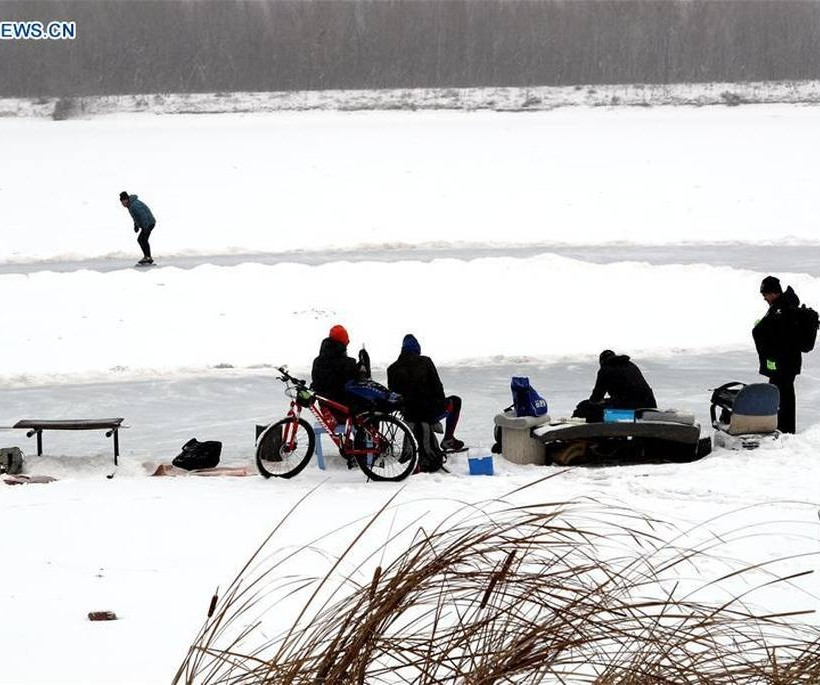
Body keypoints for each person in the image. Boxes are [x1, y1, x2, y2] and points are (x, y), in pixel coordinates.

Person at [387, 333, 464, 452]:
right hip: (429, 412)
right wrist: (439, 406)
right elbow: (438, 387)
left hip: (409, 415)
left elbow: (393, 395)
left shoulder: (391, 369)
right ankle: (448, 439)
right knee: (456, 401)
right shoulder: (426, 361)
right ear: (417, 349)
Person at [753, 275, 802, 433]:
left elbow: (778, 335)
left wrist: (761, 327)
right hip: (784, 361)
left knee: (782, 394)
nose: (764, 298)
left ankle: (785, 430)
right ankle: (783, 428)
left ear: (773, 292)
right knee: (780, 393)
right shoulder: (780, 307)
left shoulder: (782, 309)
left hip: (785, 362)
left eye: (765, 294)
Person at [573, 350, 657, 422]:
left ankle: (580, 430)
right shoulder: (630, 365)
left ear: (602, 362)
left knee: (585, 407)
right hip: (649, 404)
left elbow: (596, 397)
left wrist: (594, 402)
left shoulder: (606, 369)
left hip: (629, 408)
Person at [310, 324, 370, 406]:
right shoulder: (344, 362)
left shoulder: (319, 360)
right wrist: (363, 363)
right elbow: (356, 376)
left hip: (325, 402)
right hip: (341, 403)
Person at [120, 191, 156, 264]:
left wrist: (145, 227)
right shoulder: (130, 205)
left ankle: (148, 257)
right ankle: (147, 257)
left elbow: (143, 215)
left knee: (142, 239)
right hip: (147, 223)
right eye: (121, 202)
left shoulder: (134, 205)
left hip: (149, 223)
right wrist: (136, 225)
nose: (122, 204)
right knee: (141, 239)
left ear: (126, 200)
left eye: (123, 202)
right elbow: (136, 217)